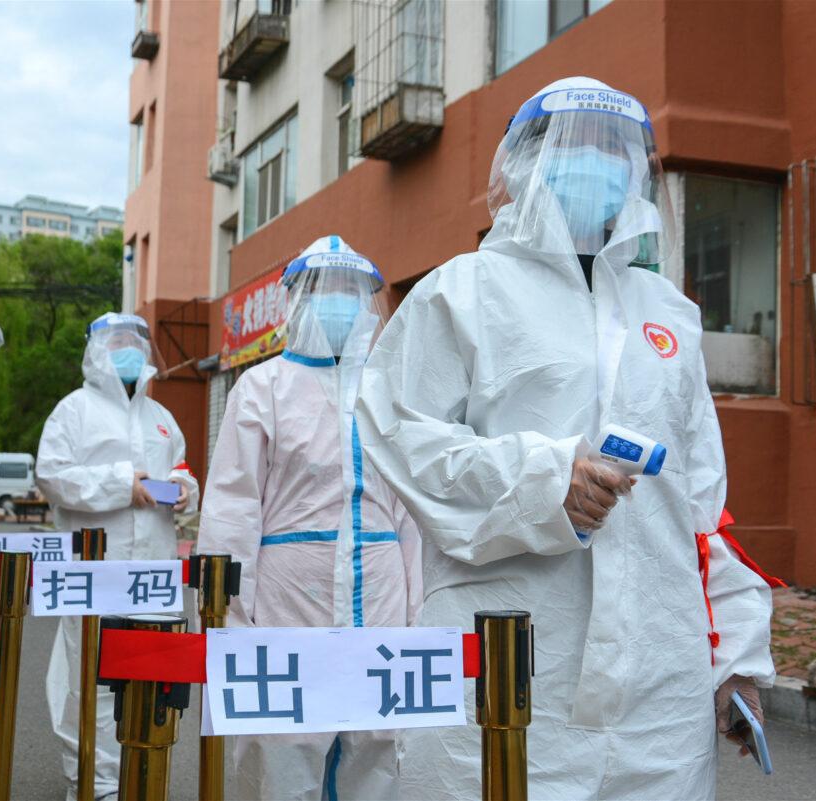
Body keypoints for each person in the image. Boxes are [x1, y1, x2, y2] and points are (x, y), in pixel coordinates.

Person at [355, 77, 781, 800]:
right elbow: (400, 438)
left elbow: (704, 507)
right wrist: (547, 480)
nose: (600, 167)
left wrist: (735, 653)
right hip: (514, 662)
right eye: (576, 148)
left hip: (660, 688)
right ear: (524, 164)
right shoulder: (463, 292)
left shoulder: (669, 314)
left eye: (617, 152)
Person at [198, 235, 421, 801]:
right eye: (325, 290)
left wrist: (422, 611)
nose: (339, 302)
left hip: (381, 589)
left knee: (377, 740)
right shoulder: (262, 387)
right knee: (284, 744)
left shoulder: (388, 391)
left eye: (352, 291)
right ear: (296, 301)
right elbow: (231, 506)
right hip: (288, 593)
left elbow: (412, 515)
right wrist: (228, 615)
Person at [36, 312, 198, 801]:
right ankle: (95, 783)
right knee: (90, 680)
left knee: (151, 677)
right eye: (117, 342)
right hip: (94, 571)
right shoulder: (74, 411)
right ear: (96, 350)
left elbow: (183, 469)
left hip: (154, 571)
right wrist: (120, 484)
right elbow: (53, 476)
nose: (128, 350)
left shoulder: (162, 418)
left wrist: (185, 488)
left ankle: (143, 778)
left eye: (135, 342)